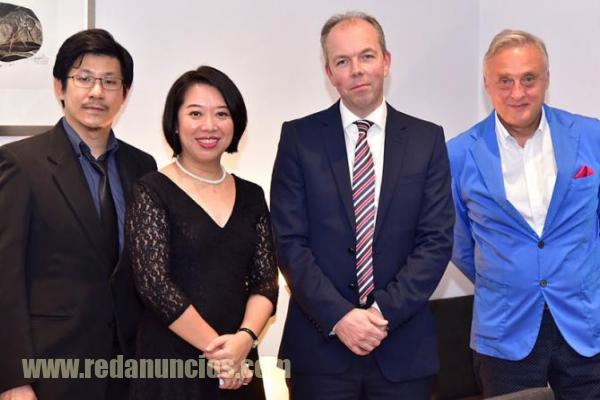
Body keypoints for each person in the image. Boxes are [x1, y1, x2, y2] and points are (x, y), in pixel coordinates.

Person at [270, 11, 454, 399]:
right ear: (329, 73)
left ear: (386, 61)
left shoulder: (427, 140)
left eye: (366, 56)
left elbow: (436, 241)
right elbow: (288, 242)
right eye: (342, 61)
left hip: (403, 350)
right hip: (320, 352)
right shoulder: (299, 139)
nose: (356, 70)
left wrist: (380, 314)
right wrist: (340, 316)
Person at [0, 29, 156, 399]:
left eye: (110, 81)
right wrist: (12, 379)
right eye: (84, 78)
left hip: (128, 370)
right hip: (50, 369)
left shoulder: (142, 167)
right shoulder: (21, 163)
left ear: (124, 94)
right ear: (60, 87)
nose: (97, 92)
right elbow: (5, 276)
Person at [448, 29, 600, 398]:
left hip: (586, 324)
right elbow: (459, 242)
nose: (518, 93)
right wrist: (507, 276)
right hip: (505, 331)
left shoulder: (591, 136)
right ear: (487, 84)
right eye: (505, 81)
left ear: (546, 79)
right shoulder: (458, 154)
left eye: (528, 79)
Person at [125, 65, 278, 399]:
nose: (209, 125)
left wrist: (245, 339)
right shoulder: (151, 190)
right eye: (195, 113)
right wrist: (221, 355)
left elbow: (265, 281)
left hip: (239, 361)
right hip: (173, 366)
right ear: (175, 122)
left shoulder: (252, 195)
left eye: (222, 113)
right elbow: (154, 285)